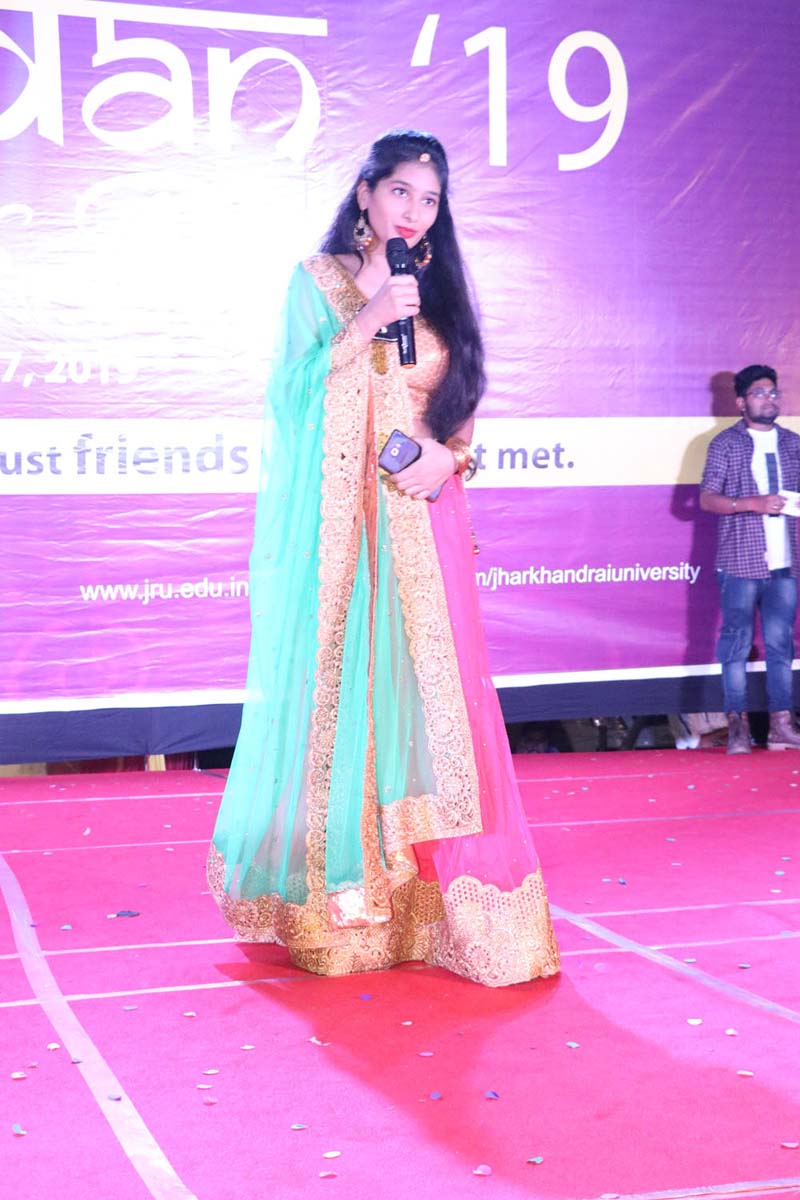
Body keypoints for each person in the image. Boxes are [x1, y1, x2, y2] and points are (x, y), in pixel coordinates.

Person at [207, 130, 560, 987]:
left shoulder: (437, 287)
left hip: (425, 520)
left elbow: (460, 395)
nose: (414, 211)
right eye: (401, 191)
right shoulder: (319, 282)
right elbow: (290, 398)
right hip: (341, 535)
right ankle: (345, 909)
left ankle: (448, 915)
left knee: (437, 705)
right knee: (348, 693)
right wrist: (365, 321)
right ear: (365, 192)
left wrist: (453, 456)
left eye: (430, 199)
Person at [699, 364, 800, 753]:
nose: (769, 399)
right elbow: (707, 499)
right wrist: (752, 504)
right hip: (740, 562)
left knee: (781, 646)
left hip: (785, 563)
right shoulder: (726, 444)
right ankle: (737, 725)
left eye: (773, 392)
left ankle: (781, 725)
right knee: (736, 644)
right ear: (741, 402)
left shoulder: (793, 444)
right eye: (759, 393)